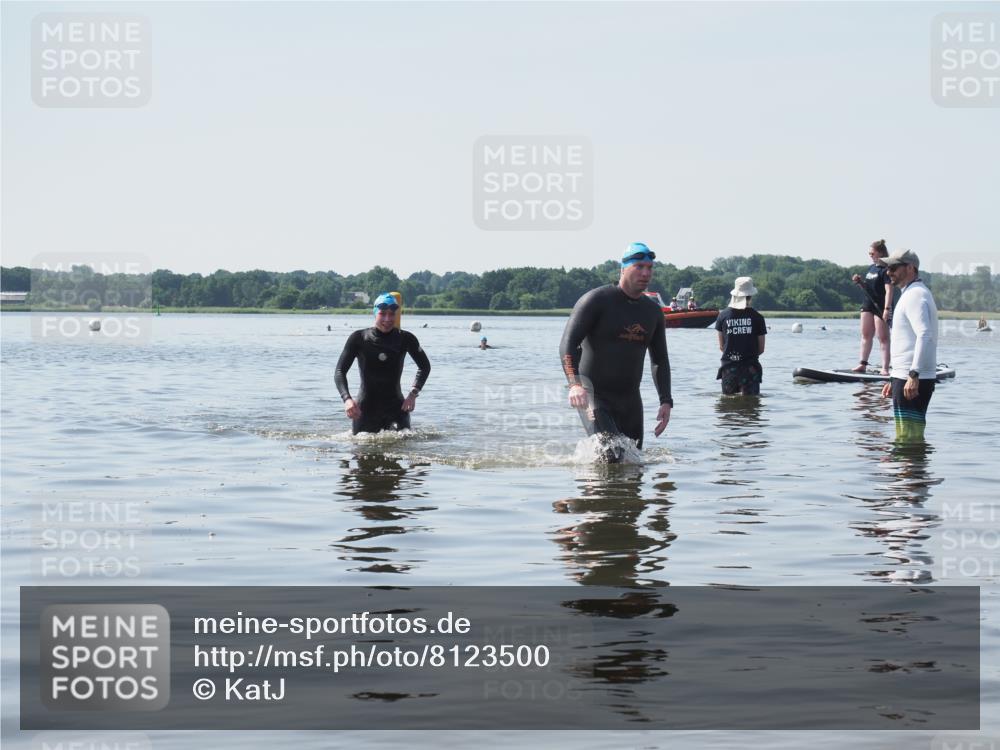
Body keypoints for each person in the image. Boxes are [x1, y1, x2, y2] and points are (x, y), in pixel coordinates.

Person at [560, 242, 673, 453]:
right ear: (623, 268)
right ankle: (591, 484)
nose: (646, 273)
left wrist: (666, 401)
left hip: (630, 400)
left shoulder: (653, 312)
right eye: (639, 266)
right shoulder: (596, 301)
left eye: (649, 268)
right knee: (611, 455)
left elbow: (660, 359)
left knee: (633, 462)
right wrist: (575, 384)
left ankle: (594, 481)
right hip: (594, 395)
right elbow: (568, 344)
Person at [334, 293, 431, 434]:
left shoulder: (405, 338)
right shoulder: (359, 338)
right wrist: (347, 399)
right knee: (361, 452)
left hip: (397, 410)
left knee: (402, 448)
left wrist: (413, 394)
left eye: (392, 314)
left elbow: (424, 366)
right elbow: (339, 372)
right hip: (365, 411)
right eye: (382, 314)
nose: (387, 319)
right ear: (375, 313)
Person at [878, 250, 938, 443]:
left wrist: (913, 374)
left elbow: (924, 334)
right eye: (888, 268)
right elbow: (908, 341)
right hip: (904, 376)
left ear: (910, 268)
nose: (889, 272)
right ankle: (910, 472)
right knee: (907, 437)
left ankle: (911, 473)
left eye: (894, 267)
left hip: (911, 379)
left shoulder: (915, 295)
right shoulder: (911, 293)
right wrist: (894, 376)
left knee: (908, 439)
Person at [715, 277, 767, 395]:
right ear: (750, 296)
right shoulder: (758, 317)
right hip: (750, 369)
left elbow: (722, 347)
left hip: (728, 369)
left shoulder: (722, 316)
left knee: (727, 407)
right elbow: (761, 349)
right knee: (751, 407)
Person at [851, 239, 894, 374]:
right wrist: (860, 283)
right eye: (869, 254)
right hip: (868, 304)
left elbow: (889, 290)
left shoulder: (886, 270)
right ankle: (862, 364)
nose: (870, 256)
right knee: (865, 335)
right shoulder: (871, 268)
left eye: (872, 253)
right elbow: (869, 288)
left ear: (880, 253)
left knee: (883, 338)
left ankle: (885, 368)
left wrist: (887, 309)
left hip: (881, 306)